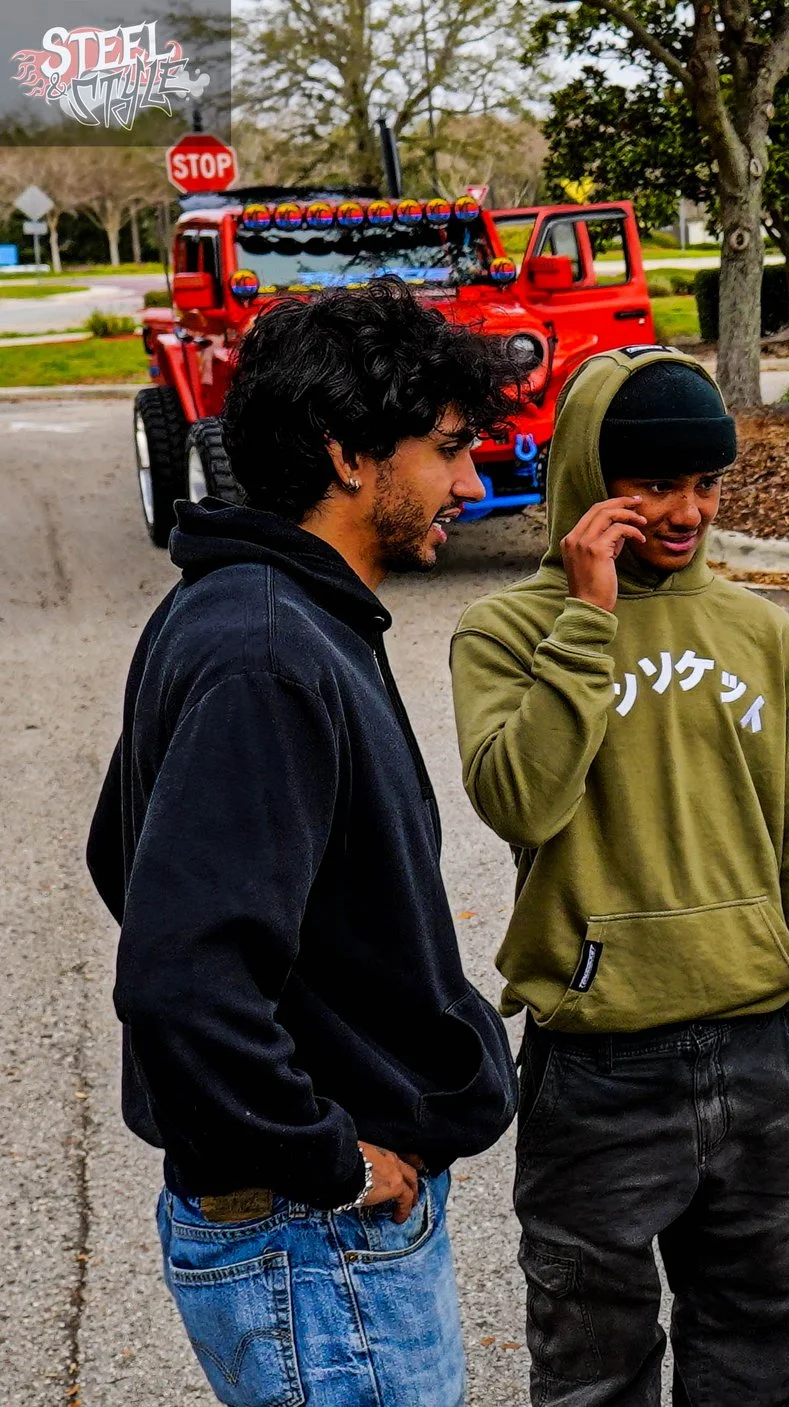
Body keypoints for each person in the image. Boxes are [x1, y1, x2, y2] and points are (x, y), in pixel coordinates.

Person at [88, 282, 523, 1407]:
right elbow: (181, 982)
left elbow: (120, 857)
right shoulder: (268, 651)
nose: (470, 486)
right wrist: (335, 1158)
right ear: (347, 454)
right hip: (315, 1244)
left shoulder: (251, 607)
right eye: (447, 450)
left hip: (314, 1238)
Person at [451, 345, 789, 1407]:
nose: (686, 511)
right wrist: (589, 614)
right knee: (593, 1371)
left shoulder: (763, 636)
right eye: (655, 483)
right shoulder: (507, 634)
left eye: (706, 483)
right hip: (599, 1070)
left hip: (762, 1049)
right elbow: (520, 802)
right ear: (591, 478)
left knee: (759, 1353)